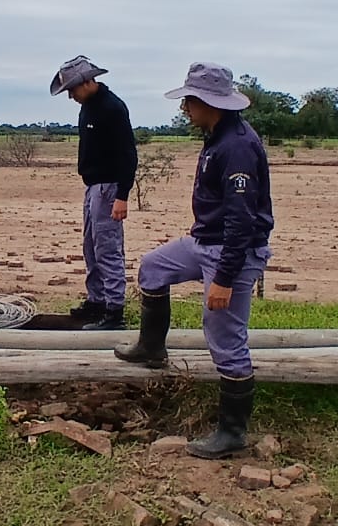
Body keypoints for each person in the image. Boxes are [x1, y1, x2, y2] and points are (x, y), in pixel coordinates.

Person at [115, 62, 274, 459]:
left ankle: (232, 433)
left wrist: (223, 278)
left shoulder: (237, 146)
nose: (184, 108)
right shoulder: (217, 136)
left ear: (209, 103)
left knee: (224, 338)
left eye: (189, 100)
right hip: (206, 240)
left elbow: (242, 220)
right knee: (153, 268)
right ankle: (152, 348)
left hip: (231, 252)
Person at [49, 55, 138, 330]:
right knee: (91, 247)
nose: (71, 96)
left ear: (87, 82)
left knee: (108, 249)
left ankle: (114, 311)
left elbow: (128, 155)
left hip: (109, 188)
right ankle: (97, 301)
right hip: (92, 187)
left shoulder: (113, 108)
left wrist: (122, 196)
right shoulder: (87, 107)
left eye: (72, 89)